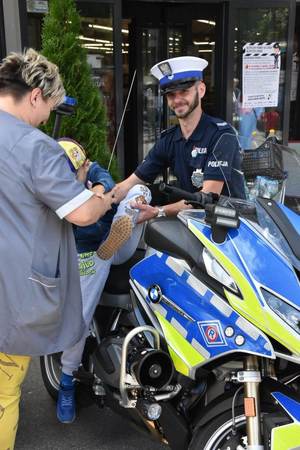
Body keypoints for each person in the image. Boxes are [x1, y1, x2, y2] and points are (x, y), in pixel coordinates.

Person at [0, 49, 115, 450]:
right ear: (35, 95)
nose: (48, 117)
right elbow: (83, 214)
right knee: (4, 395)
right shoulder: (35, 147)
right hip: (12, 299)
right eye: (49, 106)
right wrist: (101, 192)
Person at [56, 138, 151, 424]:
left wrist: (98, 191)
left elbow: (107, 180)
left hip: (113, 244)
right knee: (80, 318)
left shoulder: (91, 169)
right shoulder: (55, 187)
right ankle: (66, 380)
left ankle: (124, 226)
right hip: (88, 257)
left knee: (139, 189)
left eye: (81, 167)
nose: (81, 172)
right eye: (74, 171)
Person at [114, 56, 246, 218]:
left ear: (201, 90)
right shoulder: (170, 139)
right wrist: (102, 199)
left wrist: (159, 211)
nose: (177, 100)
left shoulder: (222, 135)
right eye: (170, 94)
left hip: (229, 226)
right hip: (193, 221)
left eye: (184, 91)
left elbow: (208, 197)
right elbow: (132, 182)